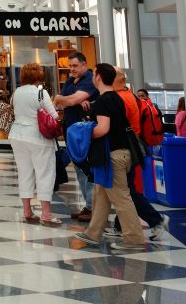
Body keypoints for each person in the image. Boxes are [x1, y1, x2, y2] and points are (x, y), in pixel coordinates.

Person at [72, 63, 147, 252]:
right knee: (101, 195)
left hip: (113, 156)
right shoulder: (116, 98)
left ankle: (134, 239)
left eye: (94, 73)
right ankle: (93, 234)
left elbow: (103, 129)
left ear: (98, 77)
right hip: (116, 153)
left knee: (121, 197)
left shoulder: (105, 100)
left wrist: (83, 132)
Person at [112, 70, 168, 242]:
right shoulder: (129, 95)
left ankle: (156, 220)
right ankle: (119, 226)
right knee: (125, 189)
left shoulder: (121, 99)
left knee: (126, 191)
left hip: (127, 147)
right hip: (134, 147)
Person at [9, 62, 61, 226]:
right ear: (38, 77)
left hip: (17, 135)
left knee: (24, 172)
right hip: (38, 136)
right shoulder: (41, 93)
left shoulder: (16, 92)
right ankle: (46, 213)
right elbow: (53, 116)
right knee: (44, 173)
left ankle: (27, 211)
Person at [53, 51, 97, 222]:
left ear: (84, 64)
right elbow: (57, 101)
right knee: (79, 170)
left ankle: (93, 208)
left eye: (75, 66)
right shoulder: (71, 81)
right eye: (70, 66)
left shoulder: (89, 80)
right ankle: (88, 205)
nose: (71, 69)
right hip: (72, 133)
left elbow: (68, 101)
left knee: (88, 170)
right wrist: (65, 99)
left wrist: (68, 99)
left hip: (86, 133)